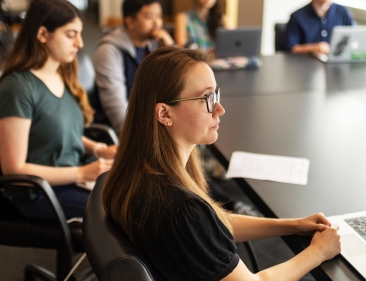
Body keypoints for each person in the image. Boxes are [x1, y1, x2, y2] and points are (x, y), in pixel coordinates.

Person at [103, 46, 341, 280]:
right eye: (207, 98)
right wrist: (318, 252)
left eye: (216, 94)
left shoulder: (136, 173)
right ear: (164, 114)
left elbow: (213, 226)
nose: (219, 108)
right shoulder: (181, 209)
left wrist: (293, 225)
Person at [0, 0, 116, 220]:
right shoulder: (17, 88)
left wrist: (98, 150)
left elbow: (60, 134)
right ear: (43, 34)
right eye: (71, 35)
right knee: (122, 212)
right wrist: (82, 172)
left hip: (72, 175)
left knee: (139, 192)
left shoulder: (62, 75)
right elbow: (13, 169)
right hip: (40, 192)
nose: (80, 43)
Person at [93, 0, 174, 134]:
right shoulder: (109, 51)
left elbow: (180, 82)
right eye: (149, 17)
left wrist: (171, 49)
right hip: (124, 131)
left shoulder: (154, 45)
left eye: (159, 16)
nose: (157, 23)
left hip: (151, 118)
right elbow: (118, 113)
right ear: (130, 21)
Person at [284, 0, 356, 54]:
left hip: (337, 65)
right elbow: (289, 48)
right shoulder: (297, 16)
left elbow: (355, 36)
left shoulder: (343, 11)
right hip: (306, 66)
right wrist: (313, 48)